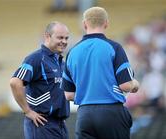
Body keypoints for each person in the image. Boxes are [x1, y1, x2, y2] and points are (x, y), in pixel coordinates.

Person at [61, 7, 139, 139]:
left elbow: (68, 95)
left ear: (84, 24)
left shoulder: (72, 52)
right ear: (106, 23)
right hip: (111, 112)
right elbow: (125, 85)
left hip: (84, 115)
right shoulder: (115, 47)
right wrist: (135, 84)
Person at [10, 21, 70, 139]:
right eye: (60, 37)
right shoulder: (36, 58)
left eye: (66, 38)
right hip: (41, 124)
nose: (64, 41)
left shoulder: (61, 62)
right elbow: (15, 82)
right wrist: (28, 111)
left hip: (59, 125)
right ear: (47, 36)